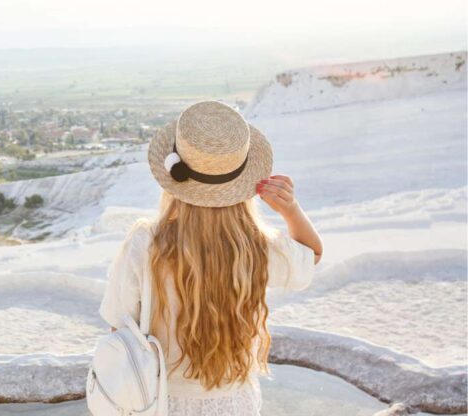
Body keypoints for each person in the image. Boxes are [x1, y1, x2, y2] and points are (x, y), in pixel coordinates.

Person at [99, 101, 323, 415]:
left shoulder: (145, 243)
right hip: (236, 402)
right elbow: (311, 255)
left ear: (173, 181)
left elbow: (117, 324)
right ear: (242, 184)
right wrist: (291, 209)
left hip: (162, 401)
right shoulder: (254, 246)